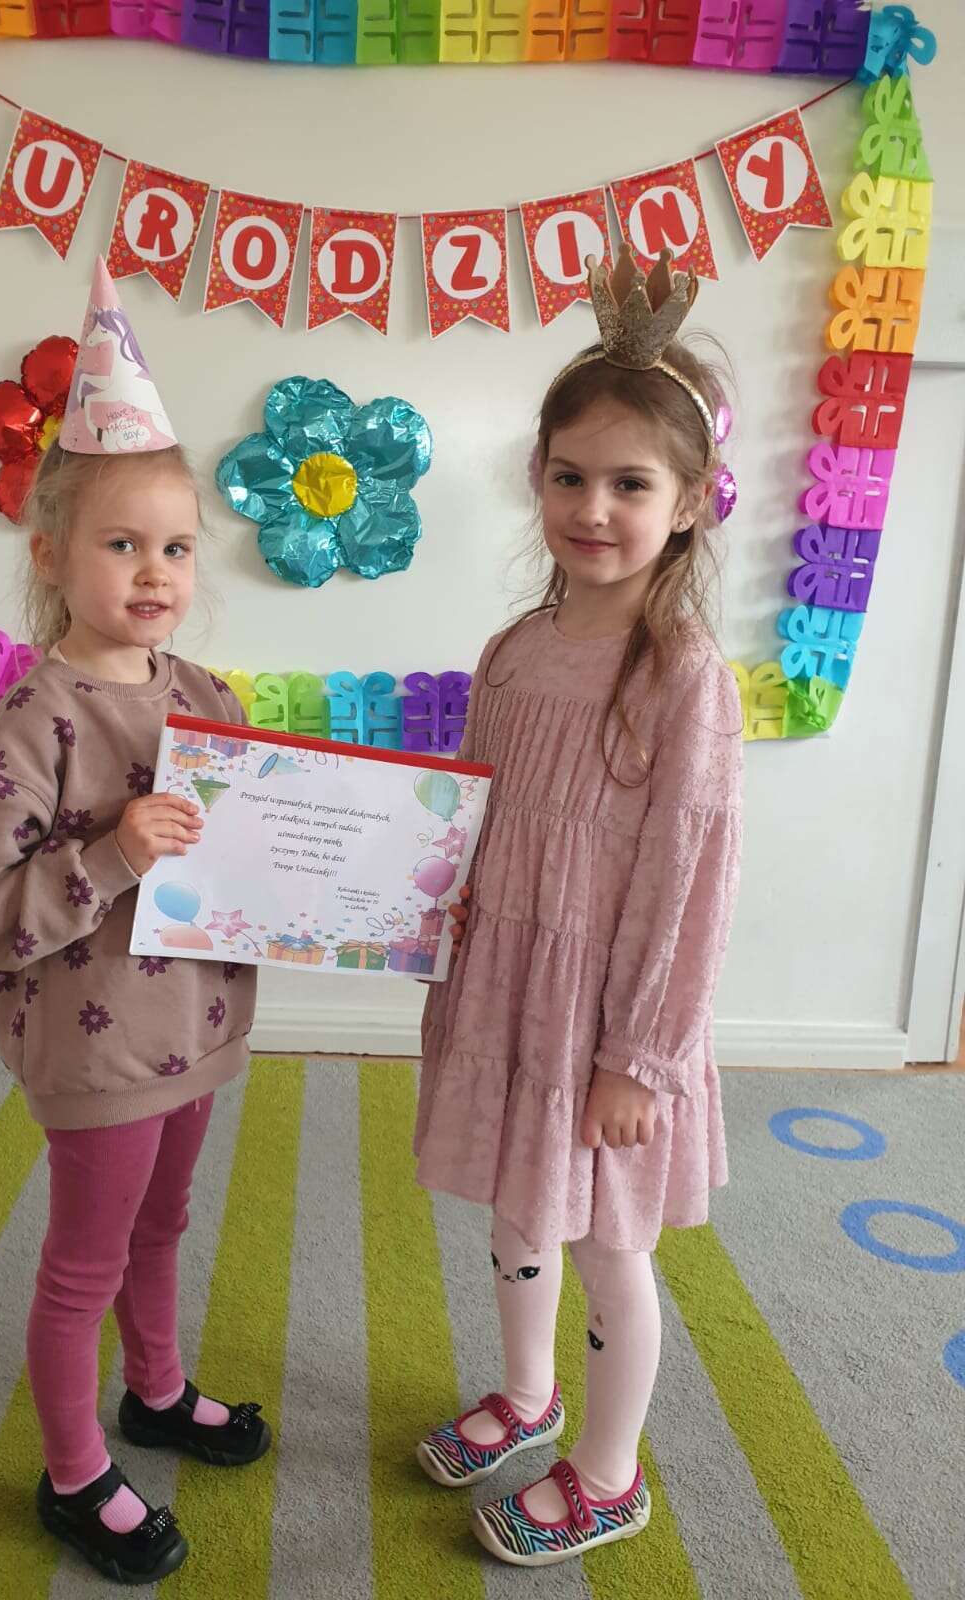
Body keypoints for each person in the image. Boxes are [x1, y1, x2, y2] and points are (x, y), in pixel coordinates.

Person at [0, 259, 269, 1587]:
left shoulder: (208, 696)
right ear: (51, 555)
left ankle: (158, 1391)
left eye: (175, 548)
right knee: (85, 1260)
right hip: (95, 1042)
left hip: (192, 1023)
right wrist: (114, 855)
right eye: (121, 544)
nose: (153, 572)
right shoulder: (38, 719)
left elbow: (258, 847)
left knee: (162, 1226)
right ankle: (74, 1472)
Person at [414, 246, 744, 1567]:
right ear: (536, 478)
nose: (592, 507)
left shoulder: (684, 675)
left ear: (690, 502)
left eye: (630, 483)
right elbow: (468, 819)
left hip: (608, 1022)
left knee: (611, 1244)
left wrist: (639, 1058)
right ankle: (527, 1392)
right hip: (508, 994)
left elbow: (689, 880)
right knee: (516, 1206)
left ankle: (608, 1474)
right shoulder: (512, 650)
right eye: (568, 476)